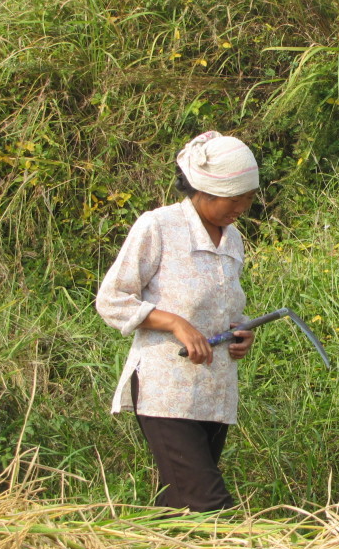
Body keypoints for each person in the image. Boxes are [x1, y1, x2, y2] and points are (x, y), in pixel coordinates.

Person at [95, 131, 259, 512]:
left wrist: (242, 332)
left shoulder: (233, 239)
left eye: (249, 198)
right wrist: (174, 323)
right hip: (166, 392)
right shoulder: (159, 226)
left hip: (214, 393)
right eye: (234, 199)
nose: (243, 208)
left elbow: (228, 307)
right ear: (202, 190)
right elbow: (111, 299)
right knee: (207, 503)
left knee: (179, 508)